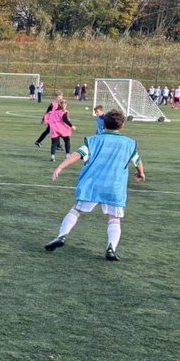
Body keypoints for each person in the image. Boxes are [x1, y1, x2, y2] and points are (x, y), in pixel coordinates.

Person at [45, 108, 144, 261]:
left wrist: (60, 167)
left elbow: (77, 155)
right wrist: (140, 173)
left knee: (76, 210)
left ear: (103, 124)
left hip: (92, 183)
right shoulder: (129, 143)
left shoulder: (94, 140)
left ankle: (62, 236)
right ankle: (111, 248)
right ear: (122, 125)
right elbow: (137, 160)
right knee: (114, 218)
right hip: (114, 186)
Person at [43, 96, 75, 161]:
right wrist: (72, 126)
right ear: (61, 105)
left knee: (54, 143)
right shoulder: (64, 112)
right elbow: (65, 120)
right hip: (62, 129)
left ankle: (52, 156)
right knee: (67, 140)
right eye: (64, 104)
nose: (65, 106)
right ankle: (67, 155)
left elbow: (47, 115)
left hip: (54, 129)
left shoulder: (53, 111)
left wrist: (45, 121)